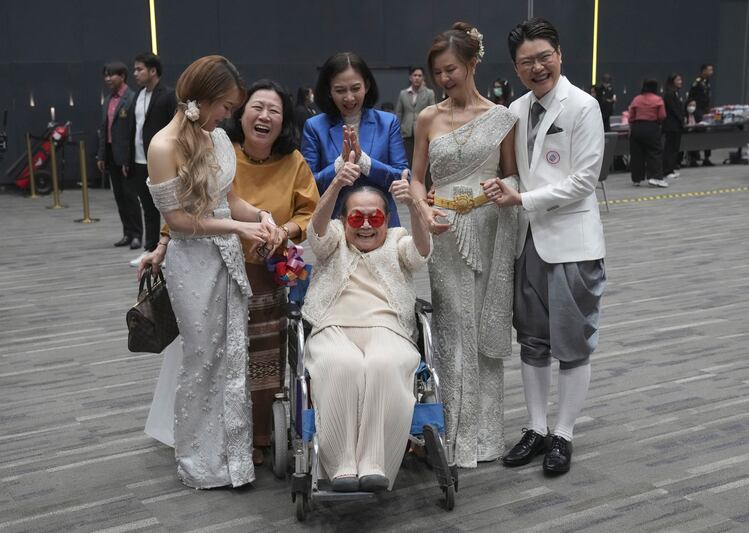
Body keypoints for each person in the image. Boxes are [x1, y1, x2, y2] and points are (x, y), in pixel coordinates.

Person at [140, 79, 320, 467]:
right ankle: (221, 437)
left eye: (275, 110)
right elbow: (186, 205)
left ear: (284, 120)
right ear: (240, 112)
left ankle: (260, 433)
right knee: (220, 358)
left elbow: (309, 213)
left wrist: (280, 229)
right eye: (256, 107)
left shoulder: (293, 162)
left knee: (265, 358)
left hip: (268, 270)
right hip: (216, 266)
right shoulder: (218, 147)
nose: (265, 116)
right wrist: (163, 243)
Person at [484, 16, 606, 476]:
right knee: (532, 341)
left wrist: (523, 198)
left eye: (543, 58)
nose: (536, 68)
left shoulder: (583, 106)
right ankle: (535, 428)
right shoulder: (515, 108)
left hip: (572, 243)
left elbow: (584, 180)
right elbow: (513, 170)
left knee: (572, 344)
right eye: (525, 62)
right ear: (515, 68)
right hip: (528, 243)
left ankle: (564, 434)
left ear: (559, 56)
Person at [408, 22, 519, 468]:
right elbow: (417, 179)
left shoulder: (501, 117)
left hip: (489, 228)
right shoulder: (428, 118)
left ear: (472, 63)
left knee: (482, 329)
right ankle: (450, 434)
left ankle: (485, 437)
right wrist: (422, 209)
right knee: (452, 328)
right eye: (437, 73)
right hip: (444, 232)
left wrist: (502, 187)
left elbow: (513, 176)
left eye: (451, 69)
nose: (444, 80)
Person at [302, 175, 431, 492]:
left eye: (375, 218)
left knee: (383, 364)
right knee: (341, 365)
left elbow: (421, 253)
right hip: (332, 326)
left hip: (387, 327)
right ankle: (340, 464)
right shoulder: (333, 238)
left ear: (386, 220)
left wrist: (414, 204)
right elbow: (316, 233)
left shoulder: (397, 239)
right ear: (343, 220)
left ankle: (375, 462)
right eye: (356, 218)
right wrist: (335, 186)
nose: (365, 226)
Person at [301, 52, 408, 227]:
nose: (349, 97)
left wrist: (364, 162)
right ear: (328, 90)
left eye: (355, 88)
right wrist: (339, 165)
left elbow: (402, 176)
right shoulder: (314, 127)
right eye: (340, 90)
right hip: (335, 225)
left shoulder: (388, 123)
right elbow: (308, 184)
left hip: (381, 224)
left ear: (367, 85)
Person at [128, 52, 177, 267]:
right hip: (140, 160)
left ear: (153, 70)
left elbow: (175, 126)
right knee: (147, 206)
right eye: (135, 69)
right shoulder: (138, 96)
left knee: (169, 207)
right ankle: (150, 248)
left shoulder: (167, 95)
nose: (135, 73)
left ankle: (169, 251)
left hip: (162, 161)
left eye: (139, 69)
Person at [97, 61, 139, 249]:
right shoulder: (108, 99)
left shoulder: (132, 98)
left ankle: (138, 234)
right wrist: (101, 156)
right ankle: (127, 233)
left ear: (122, 76)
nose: (107, 78)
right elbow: (104, 129)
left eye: (111, 75)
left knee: (130, 196)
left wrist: (129, 158)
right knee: (119, 197)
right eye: (105, 75)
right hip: (110, 154)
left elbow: (132, 131)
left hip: (126, 157)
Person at [628, 79, 668, 188]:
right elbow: (662, 116)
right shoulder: (658, 99)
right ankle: (655, 177)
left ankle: (636, 179)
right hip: (651, 127)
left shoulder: (636, 99)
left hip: (637, 127)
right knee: (654, 152)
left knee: (637, 154)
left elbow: (631, 116)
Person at [395, 67, 436, 169]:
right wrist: (398, 130)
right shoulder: (403, 93)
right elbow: (399, 113)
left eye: (419, 75)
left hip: (423, 131)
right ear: (410, 77)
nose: (417, 78)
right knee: (407, 160)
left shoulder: (429, 93)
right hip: (407, 132)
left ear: (423, 78)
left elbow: (434, 113)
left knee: (423, 161)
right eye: (415, 75)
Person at [687, 63, 714, 166]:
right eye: (709, 70)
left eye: (712, 70)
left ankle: (707, 157)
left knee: (708, 133)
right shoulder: (697, 83)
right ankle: (693, 158)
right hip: (698, 111)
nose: (711, 72)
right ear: (703, 71)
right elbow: (691, 97)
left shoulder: (707, 82)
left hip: (706, 110)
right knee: (697, 133)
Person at [662, 73, 685, 179]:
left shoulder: (676, 93)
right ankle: (666, 170)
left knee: (675, 148)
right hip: (671, 125)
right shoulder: (669, 94)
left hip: (676, 125)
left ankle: (671, 168)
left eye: (681, 80)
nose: (680, 82)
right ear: (672, 81)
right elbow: (673, 109)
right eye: (678, 80)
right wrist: (681, 118)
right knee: (670, 148)